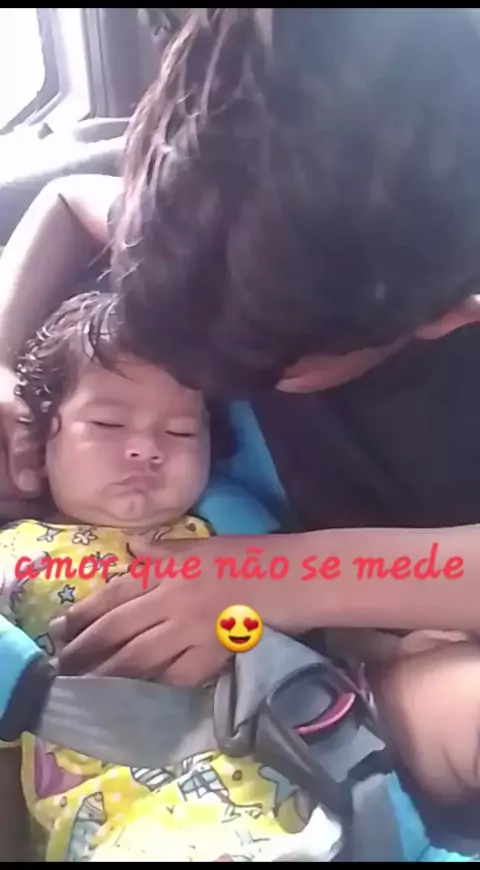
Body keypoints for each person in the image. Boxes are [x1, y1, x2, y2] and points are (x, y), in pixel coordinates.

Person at [1, 5, 480, 852]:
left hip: (360, 688)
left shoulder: (401, 271)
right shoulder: (224, 227)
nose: (202, 376)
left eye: (266, 367)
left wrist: (275, 577)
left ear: (447, 313)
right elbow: (70, 201)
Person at [1, 289, 331, 863]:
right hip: (120, 819)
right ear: (34, 445)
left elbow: (325, 609)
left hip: (292, 777)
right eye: (107, 423)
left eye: (179, 432)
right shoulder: (13, 552)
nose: (145, 450)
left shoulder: (234, 530)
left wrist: (385, 645)